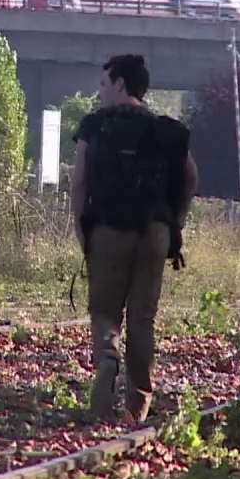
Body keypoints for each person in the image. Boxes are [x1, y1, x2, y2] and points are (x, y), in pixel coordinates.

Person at [70, 54, 198, 422]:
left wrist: (81, 227)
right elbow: (190, 176)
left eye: (103, 84)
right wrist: (177, 220)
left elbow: (80, 181)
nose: (100, 92)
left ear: (121, 85)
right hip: (155, 231)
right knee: (143, 316)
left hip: (108, 228)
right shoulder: (164, 130)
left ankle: (107, 358)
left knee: (105, 310)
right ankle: (137, 404)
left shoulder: (96, 126)